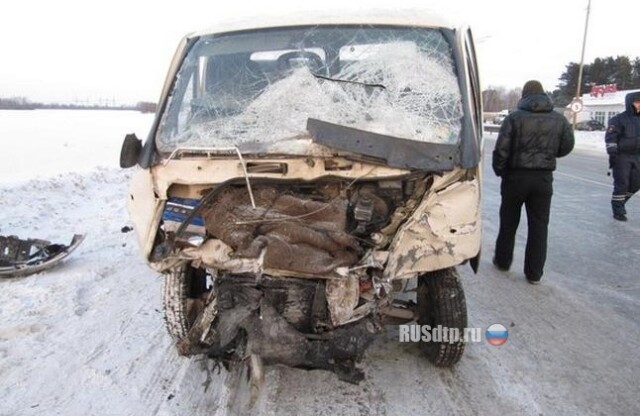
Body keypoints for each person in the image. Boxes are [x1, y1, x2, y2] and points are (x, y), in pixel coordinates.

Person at [492, 80, 575, 284]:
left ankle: (503, 261)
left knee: (509, 222)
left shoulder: (514, 118)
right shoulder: (559, 119)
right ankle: (534, 273)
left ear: (524, 95)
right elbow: (567, 145)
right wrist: (549, 155)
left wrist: (500, 171)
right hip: (543, 179)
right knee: (539, 226)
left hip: (515, 177)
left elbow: (502, 148)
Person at [604, 91, 640, 221]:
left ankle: (620, 202)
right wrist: (612, 153)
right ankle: (618, 210)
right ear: (630, 103)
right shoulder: (618, 119)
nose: (639, 105)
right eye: (637, 102)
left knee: (636, 183)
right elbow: (611, 138)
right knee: (622, 183)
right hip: (622, 156)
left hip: (637, 156)